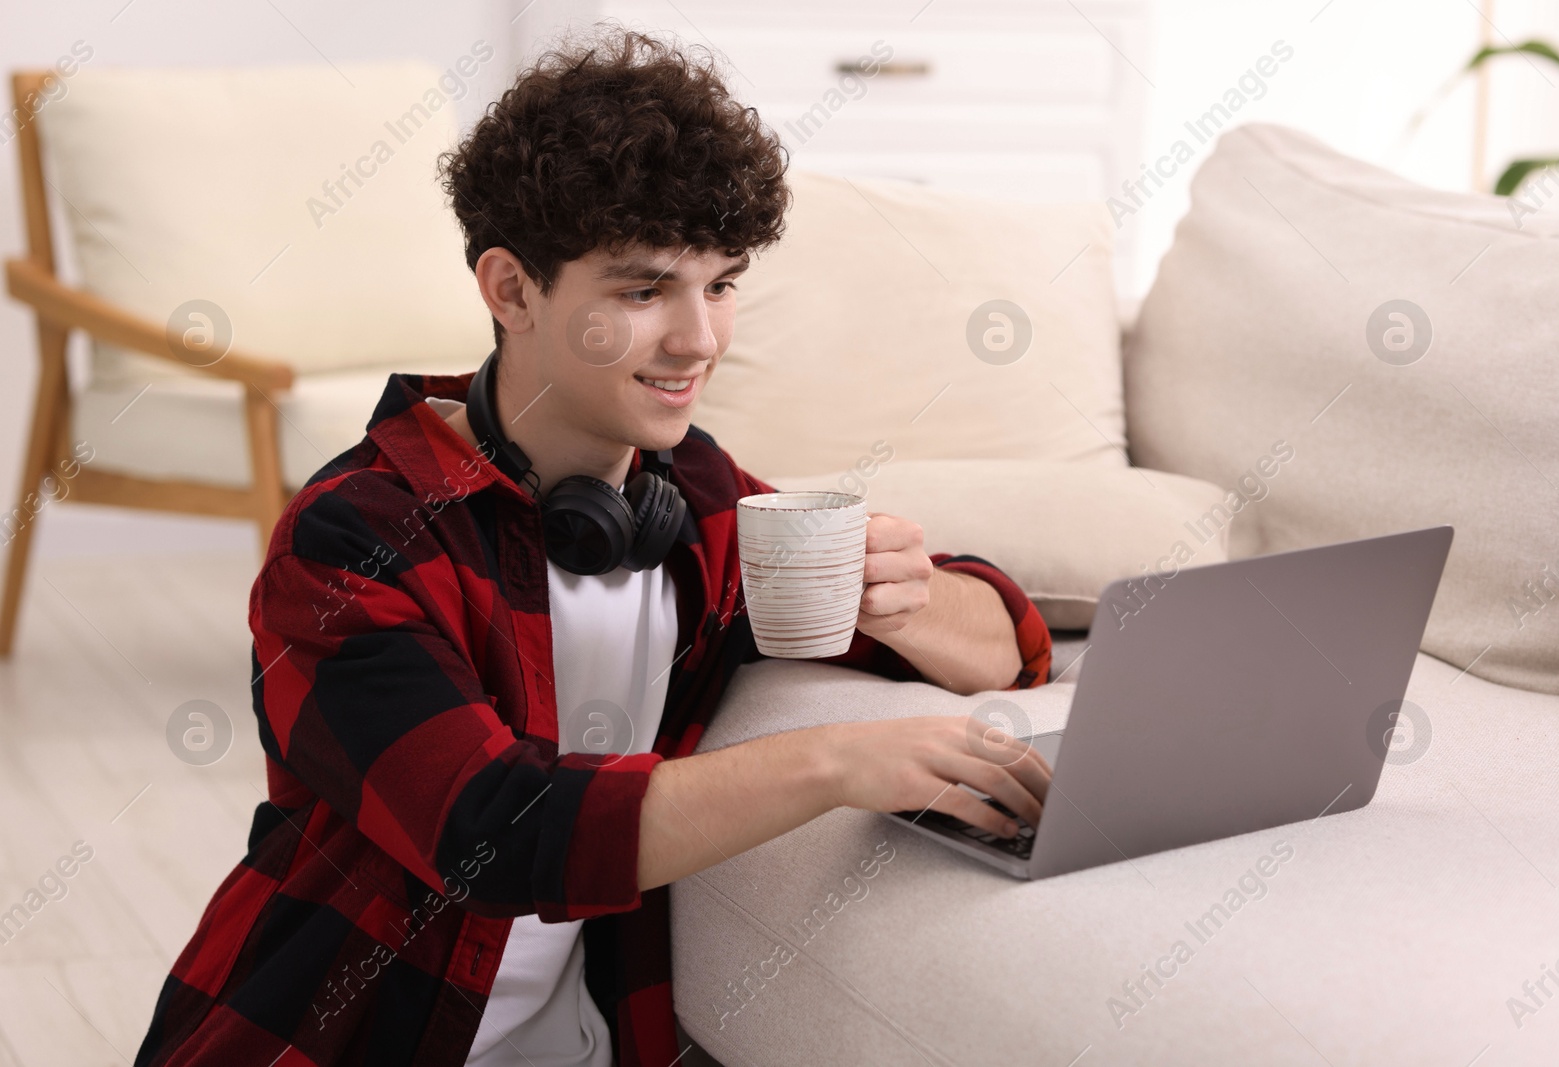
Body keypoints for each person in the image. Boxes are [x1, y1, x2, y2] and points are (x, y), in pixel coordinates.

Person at [135, 29, 1053, 1067]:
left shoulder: (693, 499)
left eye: (720, 283)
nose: (699, 338)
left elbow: (1012, 646)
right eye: (643, 289)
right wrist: (835, 760)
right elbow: (494, 832)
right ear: (511, 289)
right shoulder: (350, 538)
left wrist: (909, 600)